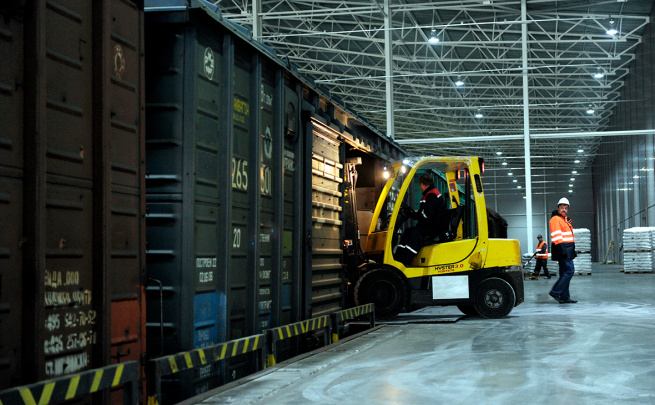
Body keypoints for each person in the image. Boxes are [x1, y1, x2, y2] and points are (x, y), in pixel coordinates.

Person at [395, 174, 447, 266]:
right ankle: (398, 257)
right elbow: (424, 212)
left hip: (435, 226)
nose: (420, 187)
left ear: (422, 184)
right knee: (408, 231)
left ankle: (405, 260)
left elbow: (427, 213)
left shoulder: (431, 194)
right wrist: (414, 214)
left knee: (416, 233)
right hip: (432, 224)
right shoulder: (430, 193)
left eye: (420, 185)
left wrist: (415, 215)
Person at [548, 197, 577, 304]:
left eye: (566, 208)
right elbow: (557, 236)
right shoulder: (556, 219)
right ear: (558, 208)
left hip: (567, 249)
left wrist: (572, 250)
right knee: (570, 270)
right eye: (562, 207)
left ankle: (564, 297)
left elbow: (569, 236)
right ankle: (555, 291)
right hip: (563, 249)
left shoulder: (564, 220)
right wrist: (563, 250)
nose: (564, 209)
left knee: (564, 272)